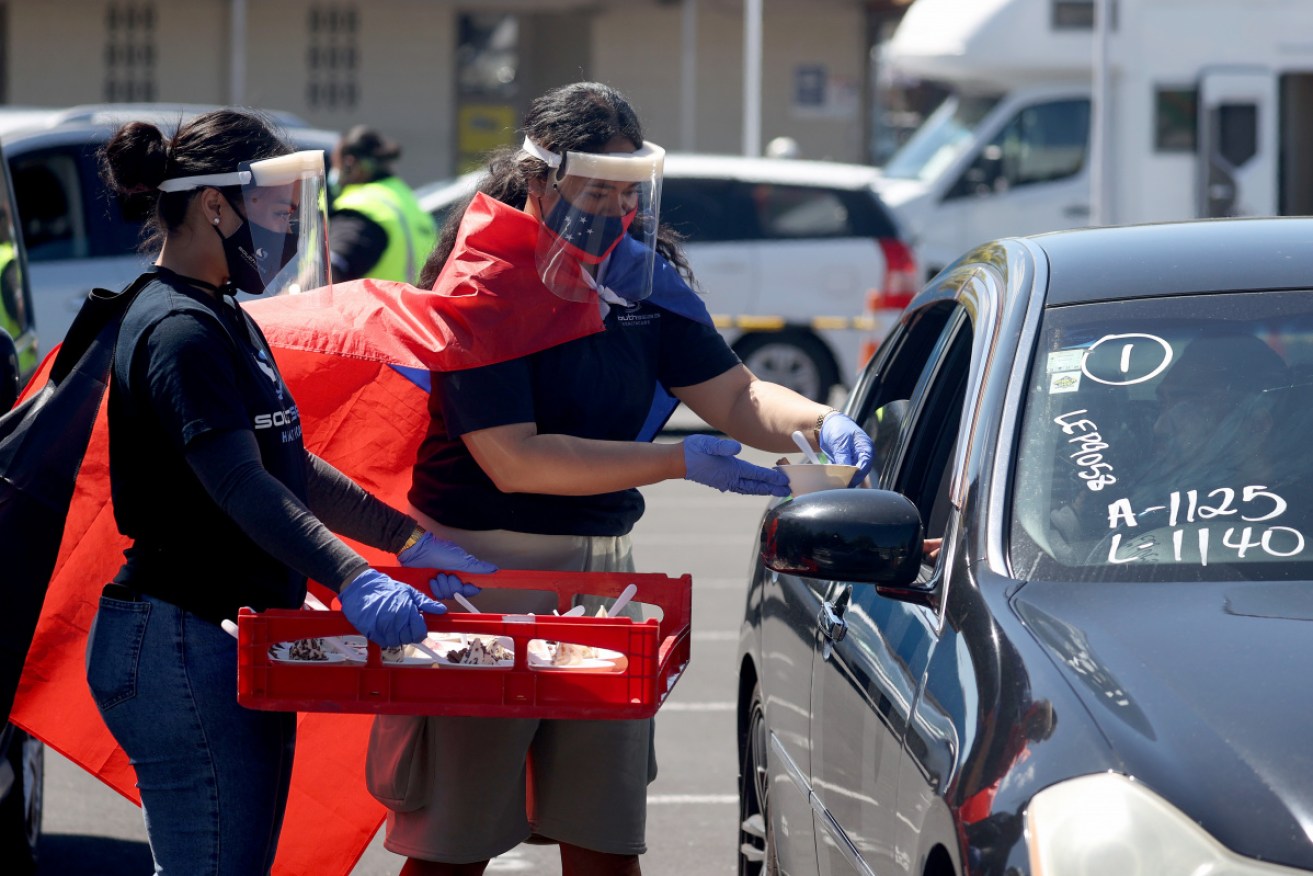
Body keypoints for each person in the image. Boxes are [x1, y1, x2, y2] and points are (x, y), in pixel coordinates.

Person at [370, 81, 876, 876]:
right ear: (536, 180)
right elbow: (514, 459)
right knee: (455, 845)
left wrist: (814, 419)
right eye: (591, 189)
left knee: (604, 835)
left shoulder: (638, 278)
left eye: (624, 191)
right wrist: (676, 460)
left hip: (604, 573)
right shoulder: (481, 283)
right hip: (482, 574)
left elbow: (734, 395)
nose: (610, 210)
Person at [83, 108, 495, 875]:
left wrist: (403, 539)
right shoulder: (179, 327)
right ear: (216, 205)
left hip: (213, 631)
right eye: (275, 211)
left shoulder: (221, 314)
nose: (283, 231)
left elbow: (287, 462)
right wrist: (352, 577)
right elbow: (239, 482)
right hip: (180, 635)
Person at [329, 124, 437, 284]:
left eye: (335, 164)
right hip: (411, 307)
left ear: (350, 164)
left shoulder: (363, 206)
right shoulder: (406, 200)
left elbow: (331, 271)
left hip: (371, 308)